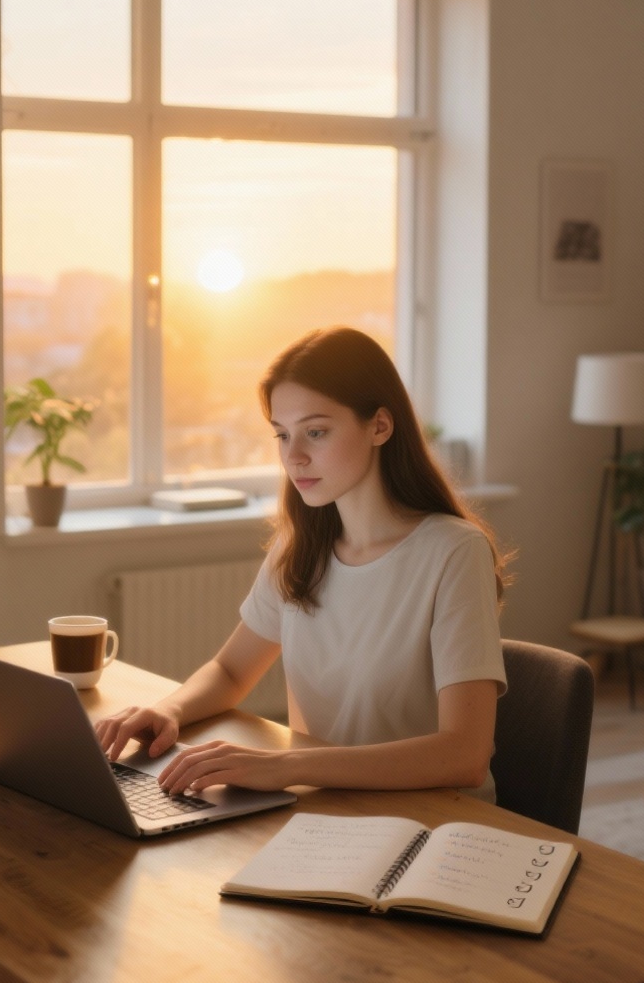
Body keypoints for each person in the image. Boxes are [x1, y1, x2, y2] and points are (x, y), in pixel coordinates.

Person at [95, 326, 510, 800]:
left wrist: (285, 765)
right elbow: (231, 672)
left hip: (438, 824)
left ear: (379, 426)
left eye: (316, 432)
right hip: (328, 810)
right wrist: (168, 710)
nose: (294, 457)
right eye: (282, 435)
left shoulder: (454, 553)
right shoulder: (300, 550)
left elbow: (465, 755)